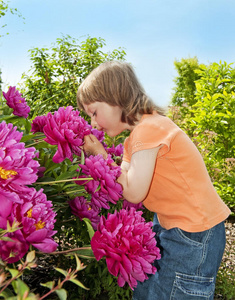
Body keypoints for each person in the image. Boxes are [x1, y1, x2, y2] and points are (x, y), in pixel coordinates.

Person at [76, 61, 231, 300]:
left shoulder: (150, 129)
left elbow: (133, 192)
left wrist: (102, 156)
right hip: (177, 226)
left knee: (173, 293)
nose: (93, 123)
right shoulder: (135, 139)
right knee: (151, 292)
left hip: (194, 231)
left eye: (94, 112)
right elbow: (122, 184)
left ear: (115, 98)